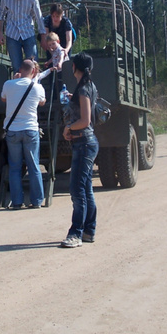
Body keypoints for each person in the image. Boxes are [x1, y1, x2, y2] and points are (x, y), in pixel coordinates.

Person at [1, 60, 53, 209]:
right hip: (30, 129)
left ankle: (17, 202)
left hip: (13, 131)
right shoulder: (38, 88)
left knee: (15, 167)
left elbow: (3, 99)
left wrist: (14, 81)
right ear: (34, 72)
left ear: (20, 69)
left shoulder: (8, 84)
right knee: (33, 165)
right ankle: (36, 201)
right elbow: (42, 103)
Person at [60, 52, 100, 248]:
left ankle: (76, 233)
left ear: (75, 67)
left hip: (84, 143)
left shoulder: (83, 89)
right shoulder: (88, 86)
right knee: (86, 189)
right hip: (85, 142)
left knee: (77, 190)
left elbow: (85, 121)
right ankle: (88, 231)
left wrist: (68, 127)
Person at [0, 0, 44, 73]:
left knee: (33, 64)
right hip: (12, 34)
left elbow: (39, 17)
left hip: (28, 33)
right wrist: (0, 33)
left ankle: (34, 87)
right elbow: (0, 15)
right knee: (16, 67)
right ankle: (19, 87)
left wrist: (43, 36)